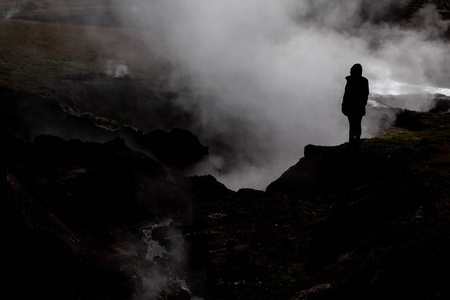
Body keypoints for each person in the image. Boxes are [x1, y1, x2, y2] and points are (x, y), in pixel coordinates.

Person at [341, 63, 369, 146]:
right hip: (358, 107)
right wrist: (363, 104)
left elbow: (346, 95)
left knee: (352, 125)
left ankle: (352, 141)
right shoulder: (364, 81)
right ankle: (356, 140)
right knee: (357, 124)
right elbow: (365, 94)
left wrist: (344, 105)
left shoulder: (350, 81)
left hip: (351, 107)